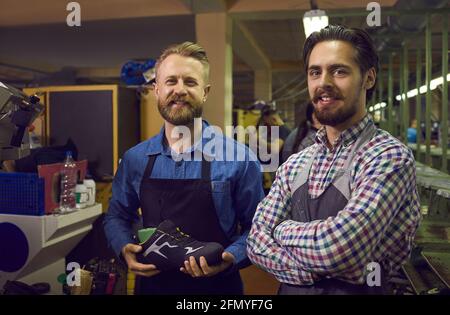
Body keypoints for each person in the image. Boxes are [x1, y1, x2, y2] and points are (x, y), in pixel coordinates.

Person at [247, 25, 421, 295]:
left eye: (339, 71)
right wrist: (318, 272)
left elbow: (339, 249)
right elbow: (256, 242)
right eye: (315, 72)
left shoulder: (388, 157)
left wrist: (280, 230)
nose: (323, 82)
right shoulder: (295, 164)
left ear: (369, 78)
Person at [104, 42, 264, 295]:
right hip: (152, 288)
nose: (179, 90)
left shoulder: (239, 159)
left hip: (218, 289)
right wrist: (124, 247)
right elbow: (117, 216)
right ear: (156, 89)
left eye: (190, 82)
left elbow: (258, 230)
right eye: (171, 81)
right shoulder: (135, 159)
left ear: (205, 92)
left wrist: (229, 257)